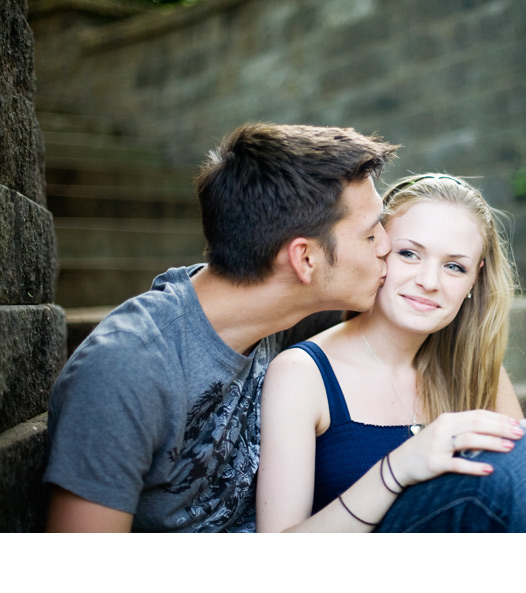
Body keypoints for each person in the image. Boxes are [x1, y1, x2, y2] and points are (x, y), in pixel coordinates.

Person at [43, 122, 405, 532]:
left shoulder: (291, 315)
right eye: (371, 232)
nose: (386, 246)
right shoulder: (127, 368)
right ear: (304, 259)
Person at [256, 174, 526, 532]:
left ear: (474, 279)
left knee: (523, 451)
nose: (429, 281)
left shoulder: (473, 368)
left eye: (453, 266)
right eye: (409, 254)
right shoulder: (301, 373)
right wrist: (396, 470)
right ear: (377, 249)